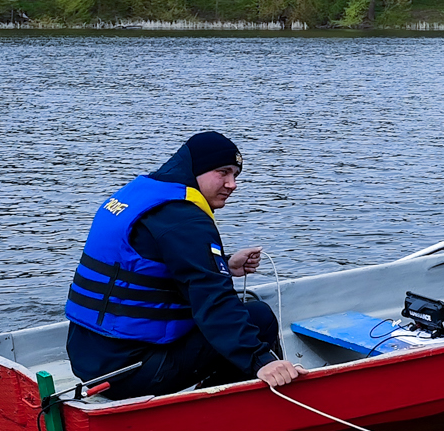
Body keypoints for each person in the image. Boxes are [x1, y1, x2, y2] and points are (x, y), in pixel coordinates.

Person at [64, 131, 304, 398]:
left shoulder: (139, 195)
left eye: (236, 175)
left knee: (230, 318)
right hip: (131, 372)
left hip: (88, 358)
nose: (232, 184)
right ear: (196, 170)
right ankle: (220, 406)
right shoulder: (186, 220)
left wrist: (224, 265)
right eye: (223, 172)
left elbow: (144, 268)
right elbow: (214, 301)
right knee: (258, 317)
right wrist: (261, 360)